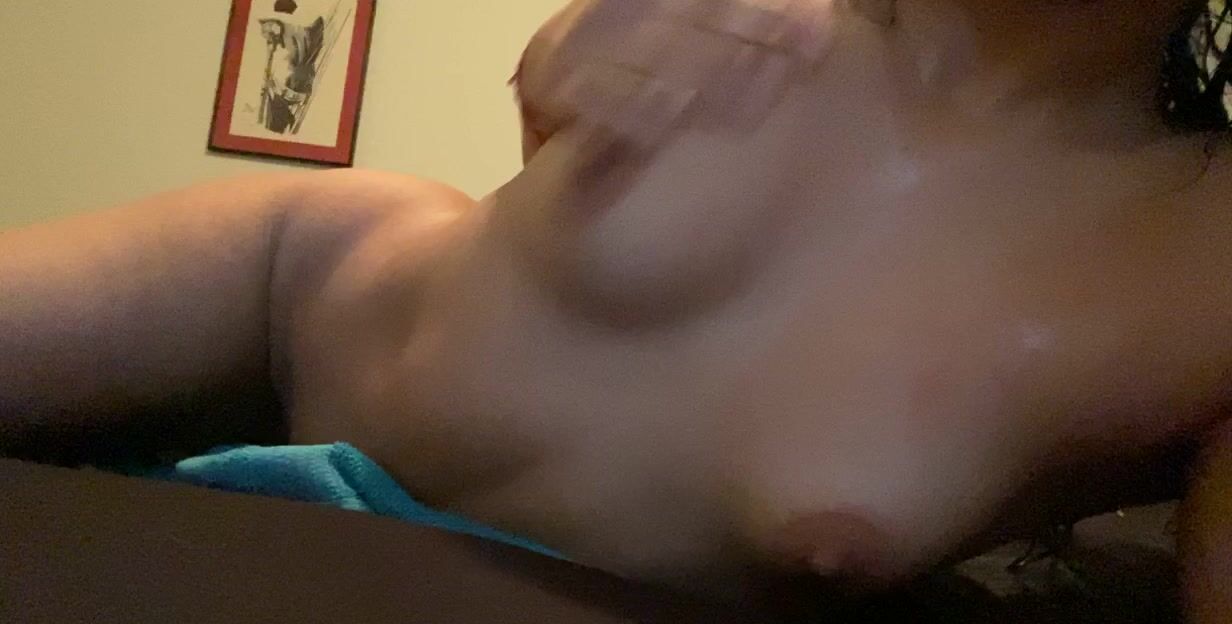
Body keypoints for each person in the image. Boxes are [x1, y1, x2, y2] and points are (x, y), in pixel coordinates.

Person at [2, 0, 1230, 620]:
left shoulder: (1200, 256)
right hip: (293, 282)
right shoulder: (758, 10)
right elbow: (553, 231)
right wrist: (572, 71)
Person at [256, 0, 326, 133]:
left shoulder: (291, 37)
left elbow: (290, 66)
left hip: (296, 90)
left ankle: (275, 130)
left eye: (268, 25)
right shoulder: (298, 31)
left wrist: (273, 83)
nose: (266, 33)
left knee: (274, 99)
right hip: (300, 86)